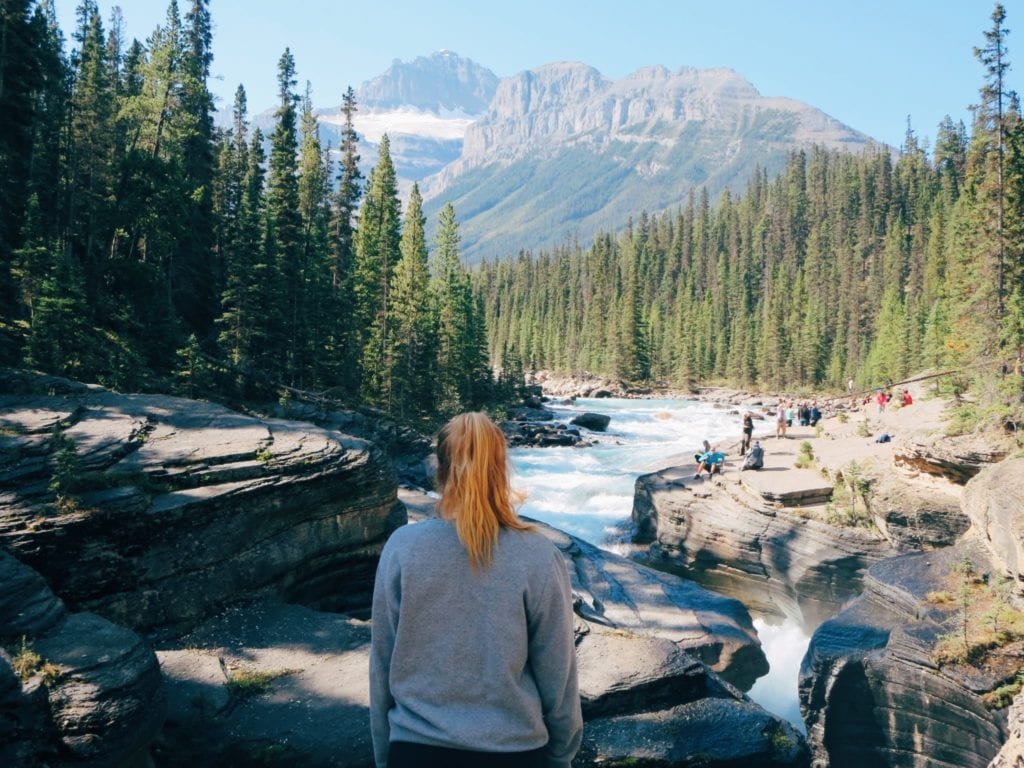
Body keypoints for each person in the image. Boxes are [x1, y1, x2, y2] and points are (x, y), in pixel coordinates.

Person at [370, 412, 583, 768]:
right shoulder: (540, 555)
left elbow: (382, 663)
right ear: (501, 469)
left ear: (439, 469)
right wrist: (561, 757)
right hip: (516, 753)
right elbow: (559, 675)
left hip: (416, 751)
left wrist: (383, 754)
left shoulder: (402, 547)